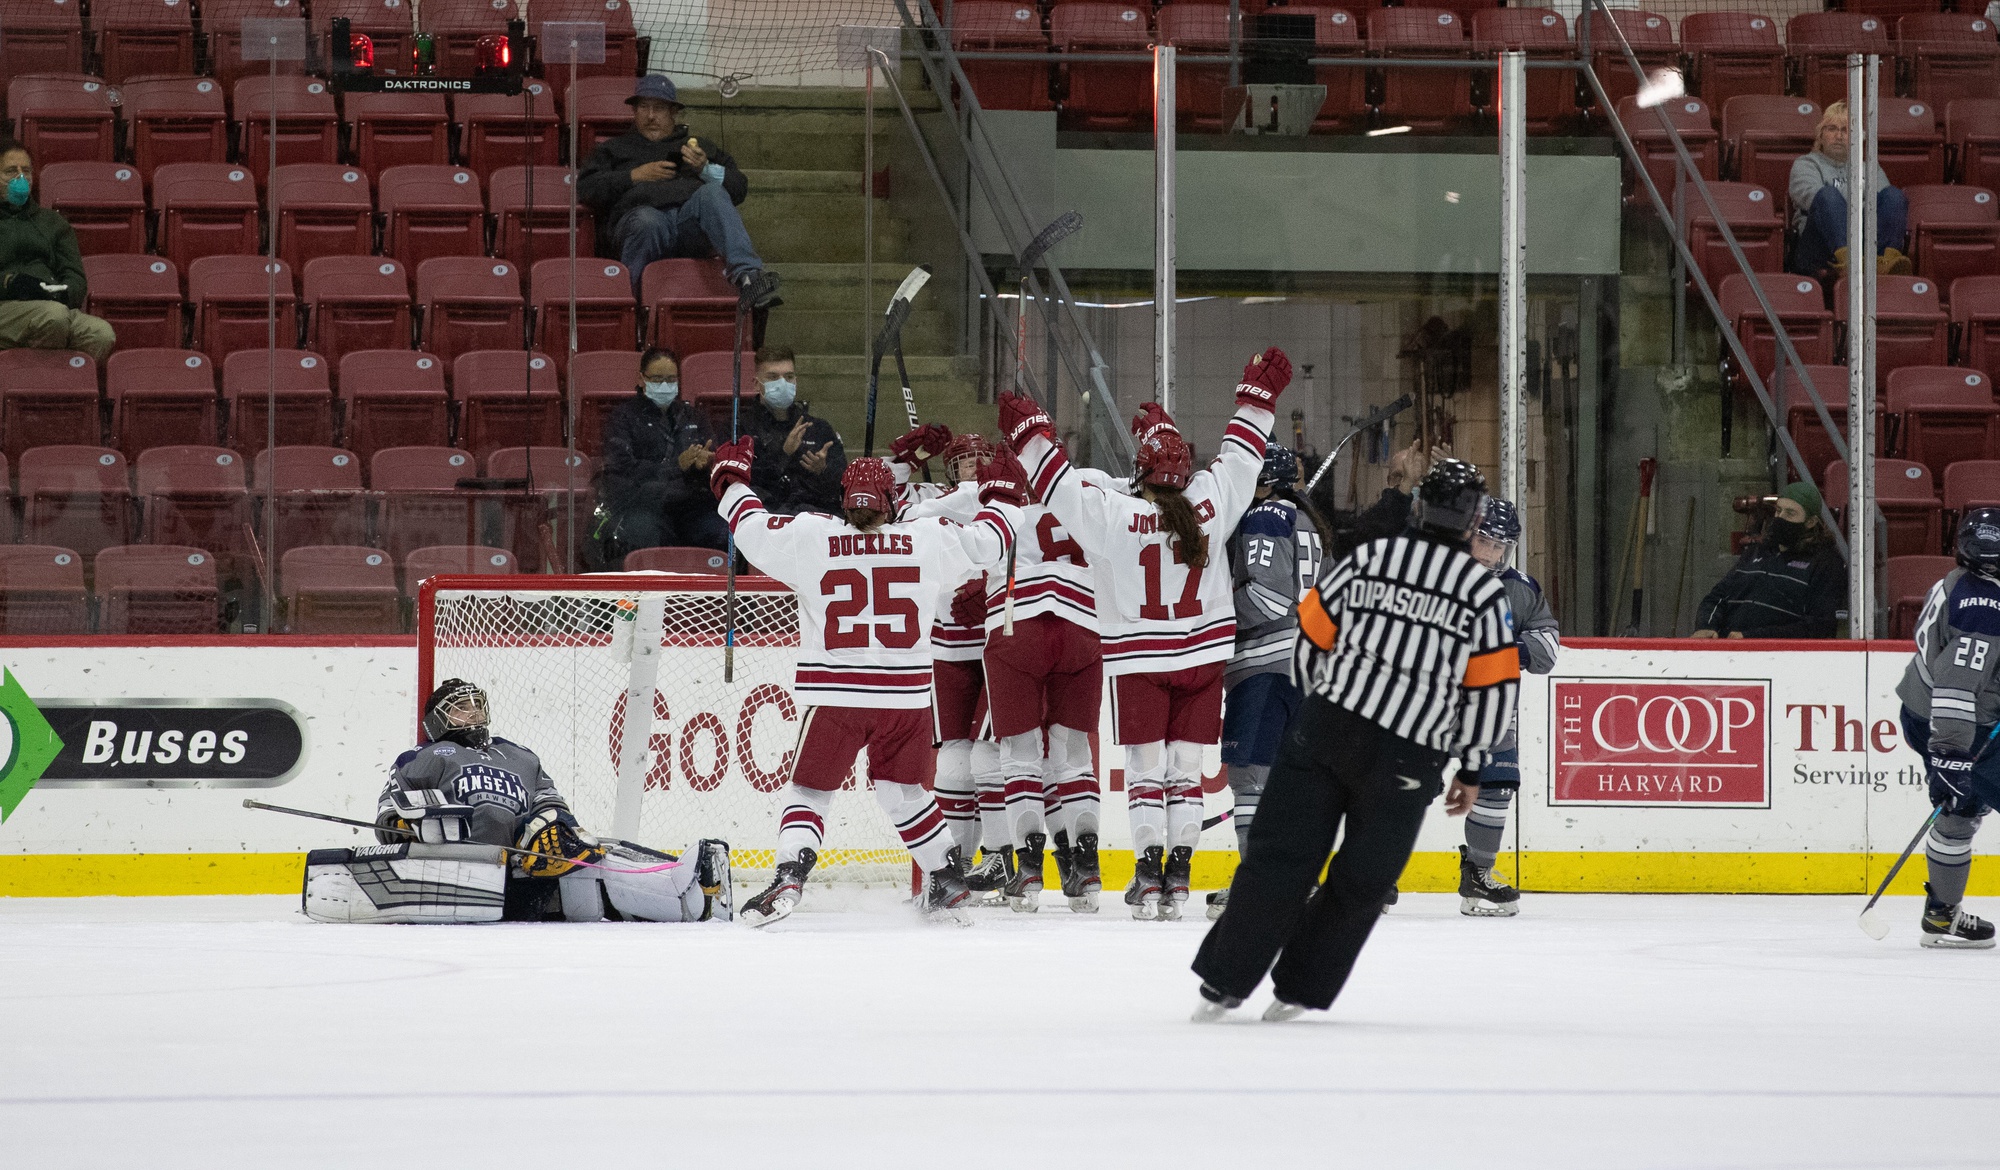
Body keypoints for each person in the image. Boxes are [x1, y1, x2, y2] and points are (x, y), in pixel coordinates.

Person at [1191, 459, 1520, 1022]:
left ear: (1419, 508)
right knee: (1362, 881)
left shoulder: (1370, 558)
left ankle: (1224, 982)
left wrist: (1317, 705)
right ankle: (1297, 990)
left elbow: (1311, 636)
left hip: (1325, 730)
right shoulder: (1482, 595)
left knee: (1278, 860)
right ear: (1471, 525)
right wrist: (1471, 767)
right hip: (1408, 756)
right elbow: (1492, 692)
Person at [996, 346, 1292, 921]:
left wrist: (1031, 434)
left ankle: (1148, 877)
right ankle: (1178, 878)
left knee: (1145, 773)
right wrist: (1257, 400)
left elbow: (1059, 489)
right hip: (1203, 659)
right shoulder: (1210, 500)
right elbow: (1242, 457)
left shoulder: (1112, 514)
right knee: (1184, 772)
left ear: (1140, 472)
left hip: (1141, 663)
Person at [709, 440, 1025, 926]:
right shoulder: (927, 537)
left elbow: (750, 528)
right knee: (905, 793)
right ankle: (946, 877)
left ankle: (791, 873)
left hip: (836, 695)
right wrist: (1004, 497)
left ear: (844, 500)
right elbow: (990, 541)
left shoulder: (812, 537)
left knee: (810, 793)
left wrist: (731, 482)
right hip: (906, 697)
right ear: (891, 501)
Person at [303, 679, 732, 924]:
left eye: (476, 705)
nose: (472, 713)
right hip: (467, 866)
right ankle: (683, 895)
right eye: (459, 708)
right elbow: (389, 812)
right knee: (593, 879)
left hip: (525, 863)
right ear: (437, 718)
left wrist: (545, 830)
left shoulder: (520, 755)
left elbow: (554, 804)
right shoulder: (424, 757)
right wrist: (404, 823)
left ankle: (686, 884)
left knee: (597, 854)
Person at [976, 431, 1111, 913]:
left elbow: (917, 515)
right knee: (1075, 754)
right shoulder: (1088, 485)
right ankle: (1088, 869)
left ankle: (1030, 868)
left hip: (1017, 625)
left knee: (1019, 753)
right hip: (1082, 626)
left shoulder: (992, 496)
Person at [888, 424, 1016, 901]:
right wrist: (907, 457)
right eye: (964, 460)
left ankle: (1004, 856)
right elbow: (885, 510)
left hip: (995, 644)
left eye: (980, 459)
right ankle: (955, 867)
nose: (973, 469)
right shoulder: (929, 500)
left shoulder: (1005, 498)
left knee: (992, 757)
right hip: (945, 645)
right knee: (954, 764)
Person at [1207, 443, 1323, 921]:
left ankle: (1260, 883)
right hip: (1304, 667)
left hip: (1265, 665)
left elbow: (1270, 597)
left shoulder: (1267, 516)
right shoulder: (1306, 521)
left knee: (1250, 776)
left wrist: (1215, 621)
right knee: (1285, 781)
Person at [577, 75, 780, 309]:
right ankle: (631, 309)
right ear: (634, 111)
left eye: (659, 108)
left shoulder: (698, 146)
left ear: (674, 112)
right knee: (648, 220)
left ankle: (748, 278)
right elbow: (587, 189)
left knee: (712, 192)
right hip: (641, 223)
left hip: (689, 226)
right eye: (644, 107)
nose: (651, 115)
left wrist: (705, 169)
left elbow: (739, 188)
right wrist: (634, 175)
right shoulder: (614, 148)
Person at [1897, 507, 2000, 949]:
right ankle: (1941, 913)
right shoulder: (1983, 608)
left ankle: (1942, 915)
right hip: (1960, 725)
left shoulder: (1961, 583)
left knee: (1960, 812)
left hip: (1934, 714)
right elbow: (1958, 686)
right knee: (1960, 804)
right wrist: (1950, 757)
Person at [1457, 497, 1560, 917]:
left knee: (1498, 785)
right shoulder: (1432, 577)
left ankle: (1478, 874)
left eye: (1500, 546)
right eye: (1483, 541)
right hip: (1426, 704)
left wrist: (1504, 649)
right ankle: (1375, 876)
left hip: (1492, 710)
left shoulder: (1520, 587)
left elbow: (1547, 649)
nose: (1490, 554)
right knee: (1405, 785)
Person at [598, 347, 729, 559]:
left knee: (721, 532)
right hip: (644, 505)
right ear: (641, 379)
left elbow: (714, 457)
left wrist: (705, 463)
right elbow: (622, 470)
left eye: (671, 379)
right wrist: (676, 466)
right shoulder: (623, 418)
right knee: (645, 533)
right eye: (657, 379)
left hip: (691, 505)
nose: (665, 385)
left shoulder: (693, 416)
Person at [0, 140, 115, 363]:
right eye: (10, 171)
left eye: (26, 171)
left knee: (101, 334)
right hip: (6, 308)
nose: (20, 179)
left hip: (51, 307)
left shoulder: (53, 222)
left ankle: (59, 389)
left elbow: (75, 275)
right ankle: (38, 390)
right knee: (53, 318)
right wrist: (10, 283)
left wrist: (62, 294)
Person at [1693, 481, 1846, 639]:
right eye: (1778, 511)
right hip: (1730, 651)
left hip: (1781, 659)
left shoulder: (1826, 563)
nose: (1780, 518)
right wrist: (1706, 626)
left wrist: (1752, 638)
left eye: (1790, 513)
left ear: (1811, 522)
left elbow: (1819, 627)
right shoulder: (1756, 552)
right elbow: (1717, 596)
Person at [1788, 101, 1910, 280]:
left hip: (1865, 243)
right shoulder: (1806, 164)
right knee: (1827, 195)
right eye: (1831, 129)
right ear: (1820, 136)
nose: (1838, 136)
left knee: (1894, 195)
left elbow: (1884, 207)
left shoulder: (1870, 168)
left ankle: (1885, 262)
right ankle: (1850, 263)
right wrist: (1860, 199)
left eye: (1846, 130)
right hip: (1820, 246)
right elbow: (1815, 201)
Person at [745, 345, 847, 514]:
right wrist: (783, 454)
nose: (782, 383)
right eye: (773, 377)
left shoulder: (819, 428)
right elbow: (743, 485)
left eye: (789, 377)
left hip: (815, 521)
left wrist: (823, 470)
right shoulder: (741, 428)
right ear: (757, 384)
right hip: (765, 520)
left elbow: (843, 485)